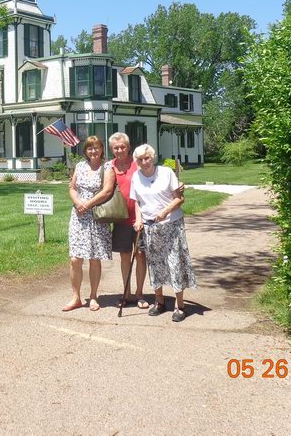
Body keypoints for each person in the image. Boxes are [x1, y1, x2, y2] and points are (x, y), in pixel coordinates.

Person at [130, 144, 196, 322]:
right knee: (155, 264)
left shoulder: (166, 173)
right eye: (140, 159)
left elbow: (179, 198)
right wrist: (138, 220)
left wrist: (166, 211)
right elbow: (137, 202)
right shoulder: (136, 177)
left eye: (147, 158)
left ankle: (180, 306)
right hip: (150, 226)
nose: (144, 162)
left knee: (174, 263)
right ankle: (159, 302)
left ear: (153, 157)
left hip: (171, 224)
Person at [63, 135, 116, 312]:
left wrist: (88, 204)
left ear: (102, 149)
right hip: (79, 216)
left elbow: (108, 191)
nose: (93, 151)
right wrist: (78, 202)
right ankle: (76, 297)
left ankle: (93, 296)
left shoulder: (107, 167)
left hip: (97, 216)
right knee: (75, 259)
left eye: (97, 147)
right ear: (85, 151)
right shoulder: (80, 166)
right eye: (90, 148)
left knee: (94, 259)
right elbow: (72, 187)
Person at [107, 133, 149, 309]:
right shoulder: (109, 167)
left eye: (122, 146)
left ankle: (139, 294)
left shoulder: (137, 164)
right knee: (125, 257)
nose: (119, 150)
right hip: (121, 218)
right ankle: (127, 293)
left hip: (140, 218)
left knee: (140, 255)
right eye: (116, 147)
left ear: (128, 147)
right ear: (111, 149)